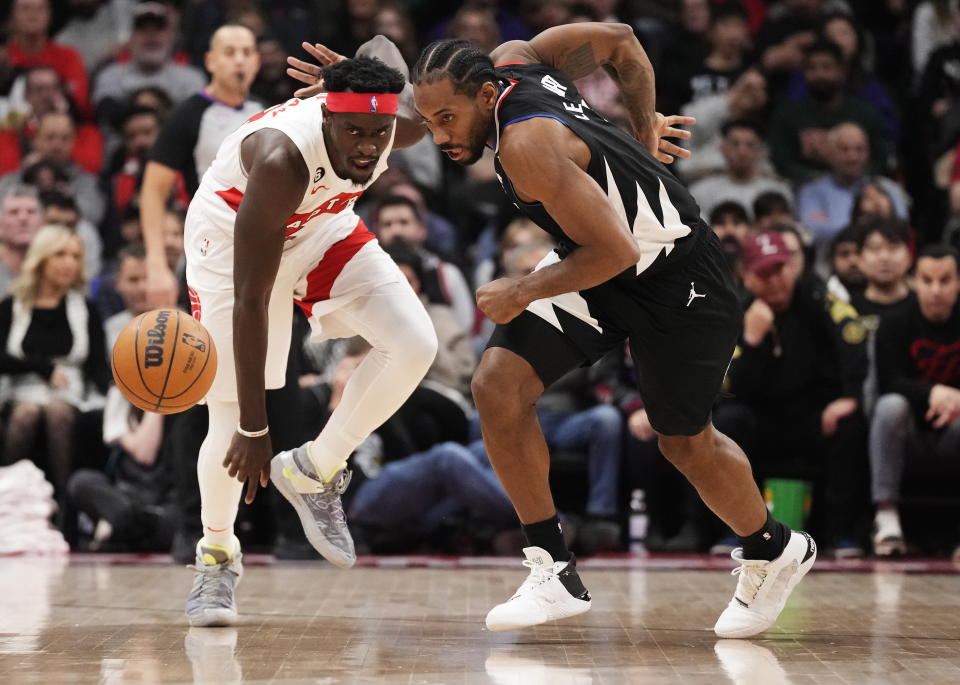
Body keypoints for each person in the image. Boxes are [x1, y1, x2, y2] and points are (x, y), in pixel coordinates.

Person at [292, 22, 817, 636]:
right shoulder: (515, 59)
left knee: (683, 443)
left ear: (488, 98)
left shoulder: (525, 147)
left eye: (447, 120)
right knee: (497, 386)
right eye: (432, 121)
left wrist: (521, 289)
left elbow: (616, 249)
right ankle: (552, 569)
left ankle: (773, 547)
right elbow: (620, 43)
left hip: (675, 278)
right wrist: (360, 93)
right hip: (594, 258)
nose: (438, 137)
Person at [146, 39, 436, 627]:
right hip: (234, 237)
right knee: (227, 419)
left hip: (321, 225)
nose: (368, 147)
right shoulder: (282, 159)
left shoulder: (393, 125)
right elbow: (252, 297)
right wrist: (259, 427)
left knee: (415, 344)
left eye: (376, 135)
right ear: (327, 115)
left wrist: (359, 73)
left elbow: (385, 52)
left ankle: (313, 470)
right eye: (353, 132)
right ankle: (217, 556)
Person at [0, 225, 109, 499]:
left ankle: (66, 504)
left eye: (76, 256)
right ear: (41, 258)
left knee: (58, 411)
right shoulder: (12, 305)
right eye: (60, 254)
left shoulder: (86, 308)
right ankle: (8, 497)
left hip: (70, 391)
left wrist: (119, 395)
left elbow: (97, 365)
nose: (69, 263)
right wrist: (42, 367)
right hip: (21, 389)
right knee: (27, 413)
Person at [870, 246, 960, 557]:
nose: (936, 290)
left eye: (945, 280)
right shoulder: (894, 322)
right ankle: (887, 516)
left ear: (958, 282)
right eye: (927, 280)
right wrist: (933, 392)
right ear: (914, 282)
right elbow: (888, 382)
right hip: (907, 436)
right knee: (890, 406)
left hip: (954, 431)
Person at [796, 122, 908, 245]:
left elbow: (901, 228)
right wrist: (869, 222)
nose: (853, 157)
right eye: (844, 149)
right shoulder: (812, 192)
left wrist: (834, 224)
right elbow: (811, 233)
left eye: (859, 149)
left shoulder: (887, 188)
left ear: (868, 153)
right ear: (830, 153)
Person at [688, 119, 793, 222]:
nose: (742, 152)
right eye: (735, 144)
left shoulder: (779, 191)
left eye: (750, 145)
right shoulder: (700, 192)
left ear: (760, 150)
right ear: (722, 149)